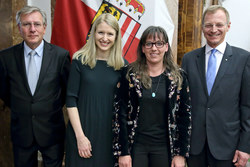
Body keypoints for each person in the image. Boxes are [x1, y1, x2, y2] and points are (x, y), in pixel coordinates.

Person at [0, 6, 71, 167]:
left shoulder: (61, 56)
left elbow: (66, 91)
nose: (32, 29)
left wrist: (47, 107)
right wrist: (24, 106)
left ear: (44, 28)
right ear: (19, 28)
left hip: (52, 130)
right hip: (22, 132)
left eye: (37, 24)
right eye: (27, 24)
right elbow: (5, 92)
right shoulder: (5, 58)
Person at [113, 26, 192, 167]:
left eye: (159, 44)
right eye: (149, 44)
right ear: (143, 48)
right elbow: (120, 114)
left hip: (165, 147)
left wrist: (181, 154)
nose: (154, 49)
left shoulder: (178, 77)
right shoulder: (129, 74)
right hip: (135, 147)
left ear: (166, 47)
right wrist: (123, 152)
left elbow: (185, 117)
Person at [181, 5, 250, 167]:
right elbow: (183, 105)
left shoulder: (243, 59)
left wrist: (245, 146)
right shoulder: (189, 59)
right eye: (209, 25)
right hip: (194, 147)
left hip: (228, 147)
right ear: (202, 27)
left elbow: (247, 106)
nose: (214, 29)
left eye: (219, 25)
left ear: (228, 26)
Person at [65, 13, 126, 167]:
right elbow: (71, 100)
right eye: (101, 32)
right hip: (82, 133)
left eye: (110, 34)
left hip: (109, 136)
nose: (105, 38)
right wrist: (80, 137)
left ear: (116, 37)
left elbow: (125, 106)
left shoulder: (123, 66)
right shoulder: (79, 60)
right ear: (93, 33)